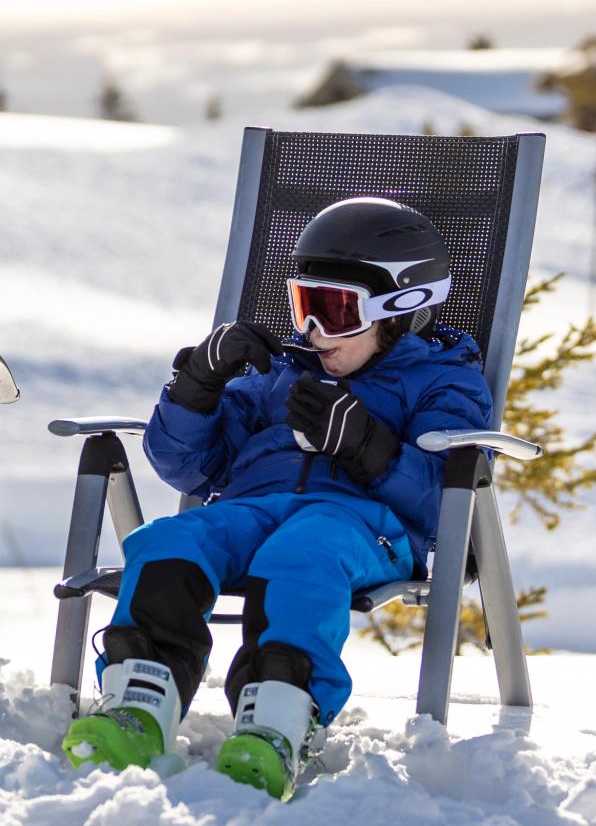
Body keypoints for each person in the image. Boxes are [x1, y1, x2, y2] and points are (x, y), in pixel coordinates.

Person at [60, 197, 493, 800]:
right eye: (304, 306)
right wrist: (198, 386)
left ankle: (280, 718)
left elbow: (444, 499)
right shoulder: (280, 373)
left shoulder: (445, 379)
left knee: (302, 552)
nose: (313, 331)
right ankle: (139, 700)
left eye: (336, 311)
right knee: (169, 540)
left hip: (360, 525)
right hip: (249, 509)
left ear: (401, 310)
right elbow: (185, 466)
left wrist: (368, 447)